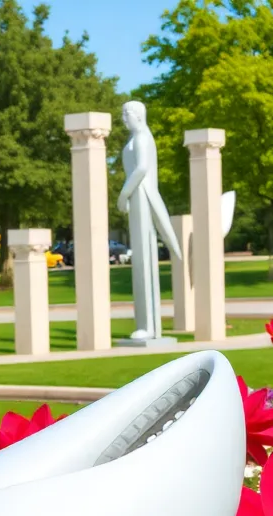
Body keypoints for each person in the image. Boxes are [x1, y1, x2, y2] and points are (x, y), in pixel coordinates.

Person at [117, 101, 184, 342]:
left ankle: (149, 325)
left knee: (145, 258)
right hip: (137, 196)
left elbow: (142, 168)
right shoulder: (135, 138)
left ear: (138, 115)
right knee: (140, 259)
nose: (123, 119)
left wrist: (123, 194)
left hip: (143, 196)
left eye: (126, 114)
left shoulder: (143, 138)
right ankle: (144, 323)